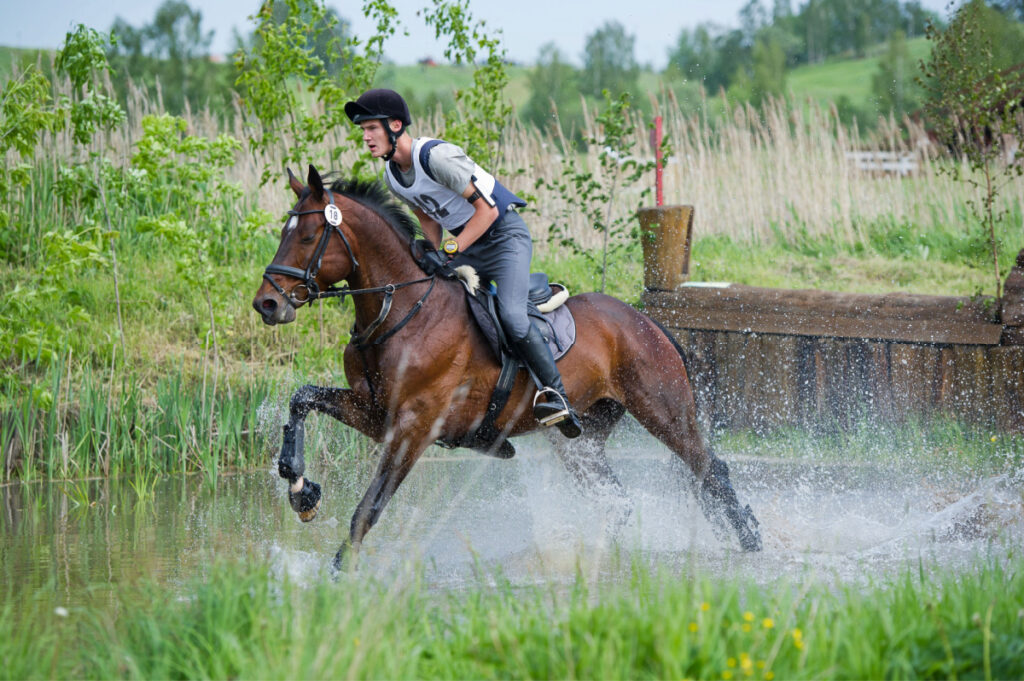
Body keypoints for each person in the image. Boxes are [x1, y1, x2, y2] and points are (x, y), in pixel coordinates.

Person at [344, 88, 582, 439]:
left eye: (371, 128)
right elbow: (427, 214)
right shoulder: (393, 176)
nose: (365, 137)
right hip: (468, 243)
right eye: (363, 130)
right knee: (442, 308)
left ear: (395, 126)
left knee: (513, 318)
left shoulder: (435, 157)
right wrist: (431, 249)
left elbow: (487, 210)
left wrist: (450, 251)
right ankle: (477, 422)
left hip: (503, 237)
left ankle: (556, 394)